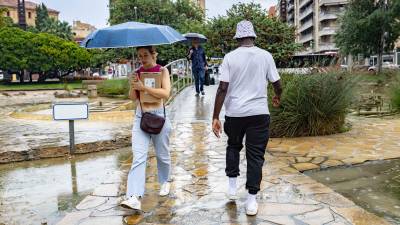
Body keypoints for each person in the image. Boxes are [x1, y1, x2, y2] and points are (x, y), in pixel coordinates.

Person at [211, 20, 283, 216]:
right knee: (256, 156)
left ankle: (232, 188)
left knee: (233, 146)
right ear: (253, 36)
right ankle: (251, 201)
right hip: (259, 113)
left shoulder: (229, 58)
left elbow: (222, 88)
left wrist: (215, 116)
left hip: (235, 114)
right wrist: (277, 95)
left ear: (238, 38)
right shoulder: (266, 56)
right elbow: (277, 83)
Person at [121, 46, 172, 211]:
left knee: (162, 155)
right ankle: (134, 197)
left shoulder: (163, 71)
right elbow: (132, 97)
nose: (142, 58)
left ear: (154, 54)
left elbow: (165, 93)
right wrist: (133, 85)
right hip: (141, 117)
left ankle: (165, 182)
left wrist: (144, 88)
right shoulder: (137, 72)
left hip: (159, 116)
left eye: (145, 55)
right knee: (139, 157)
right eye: (139, 56)